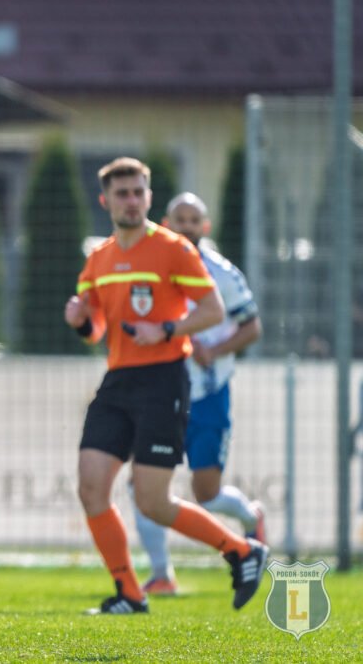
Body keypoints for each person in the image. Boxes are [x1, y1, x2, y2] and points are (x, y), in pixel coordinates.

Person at [63, 158, 268, 615]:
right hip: (118, 381)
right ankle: (130, 594)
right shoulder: (99, 258)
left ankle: (240, 550)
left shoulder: (173, 249)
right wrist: (79, 320)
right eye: (122, 194)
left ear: (149, 198)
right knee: (91, 488)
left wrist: (168, 329)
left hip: (164, 380)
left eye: (138, 192)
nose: (131, 201)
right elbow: (95, 328)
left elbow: (213, 310)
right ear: (106, 201)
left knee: (153, 502)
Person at [132, 192, 265, 596]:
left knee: (206, 493)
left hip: (208, 394)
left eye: (195, 220)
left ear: (205, 227)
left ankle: (251, 517)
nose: (187, 227)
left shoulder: (223, 274)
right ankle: (161, 574)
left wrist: (214, 350)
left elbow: (252, 327)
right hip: (160, 392)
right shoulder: (150, 267)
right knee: (142, 486)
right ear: (167, 224)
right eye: (181, 219)